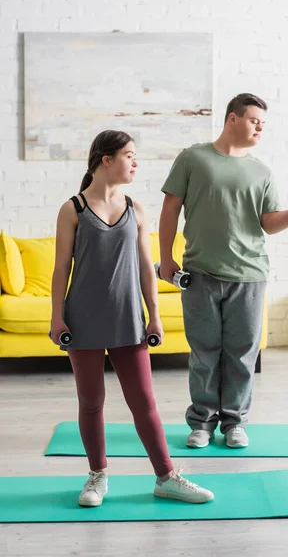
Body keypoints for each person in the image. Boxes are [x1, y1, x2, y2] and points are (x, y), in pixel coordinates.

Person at [50, 130, 214, 506]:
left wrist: (154, 316)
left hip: (129, 319)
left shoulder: (136, 209)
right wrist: (56, 318)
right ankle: (97, 476)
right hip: (83, 319)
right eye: (129, 155)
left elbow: (145, 267)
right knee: (91, 401)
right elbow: (60, 269)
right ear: (106, 160)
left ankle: (166, 477)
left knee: (144, 402)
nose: (135, 162)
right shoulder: (72, 209)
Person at [159, 93, 288, 449]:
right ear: (232, 119)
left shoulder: (261, 172)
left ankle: (234, 423)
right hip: (200, 272)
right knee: (204, 353)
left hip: (249, 274)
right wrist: (166, 257)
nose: (259, 129)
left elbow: (269, 223)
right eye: (254, 121)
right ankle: (202, 423)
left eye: (263, 125)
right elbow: (170, 209)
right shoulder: (193, 158)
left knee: (241, 353)